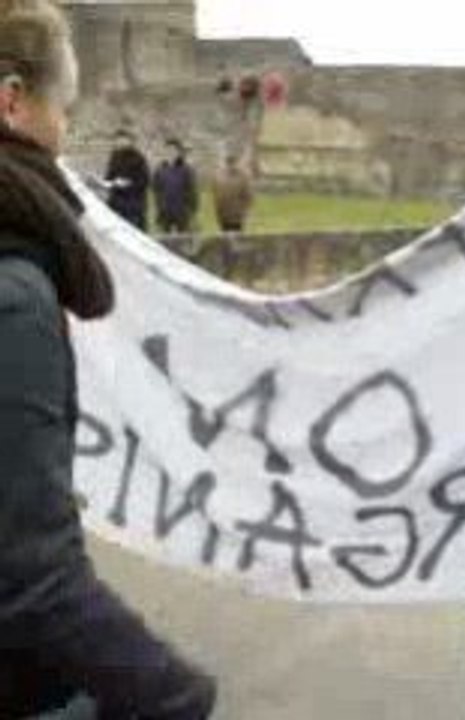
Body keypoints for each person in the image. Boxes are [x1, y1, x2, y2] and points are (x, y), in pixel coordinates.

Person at [0, 1, 216, 717]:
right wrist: (173, 691)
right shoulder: (13, 290)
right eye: (62, 106)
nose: (65, 130)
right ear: (12, 101)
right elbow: (30, 575)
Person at [104, 127, 150, 231]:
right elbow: (108, 177)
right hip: (116, 204)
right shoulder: (114, 157)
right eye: (117, 140)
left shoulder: (138, 158)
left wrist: (128, 184)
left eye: (122, 139)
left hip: (133, 205)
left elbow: (144, 181)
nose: (119, 142)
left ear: (130, 141)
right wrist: (109, 183)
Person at [153, 138, 198, 234]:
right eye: (167, 151)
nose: (170, 154)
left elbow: (192, 192)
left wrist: (191, 211)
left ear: (178, 153)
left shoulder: (186, 170)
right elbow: (157, 191)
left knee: (184, 242)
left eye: (173, 151)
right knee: (164, 243)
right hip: (165, 213)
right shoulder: (159, 170)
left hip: (182, 213)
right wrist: (160, 207)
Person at [212, 152, 254, 233]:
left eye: (233, 162)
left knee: (236, 237)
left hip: (237, 217)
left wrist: (244, 213)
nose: (231, 165)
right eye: (229, 162)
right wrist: (218, 212)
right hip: (223, 216)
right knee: (225, 237)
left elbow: (248, 197)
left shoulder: (243, 177)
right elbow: (216, 196)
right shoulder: (219, 176)